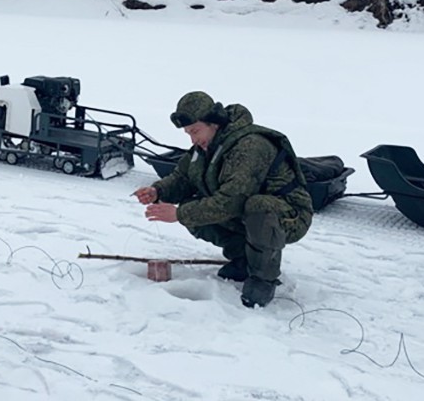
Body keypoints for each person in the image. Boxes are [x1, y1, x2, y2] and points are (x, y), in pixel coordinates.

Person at [133, 92, 312, 308]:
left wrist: (179, 214)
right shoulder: (205, 147)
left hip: (288, 215)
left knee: (256, 206)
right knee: (193, 207)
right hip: (249, 212)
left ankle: (263, 278)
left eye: (195, 131)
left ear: (214, 123)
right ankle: (243, 260)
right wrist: (157, 191)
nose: (193, 139)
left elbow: (232, 201)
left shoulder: (250, 146)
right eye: (188, 133)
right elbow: (183, 177)